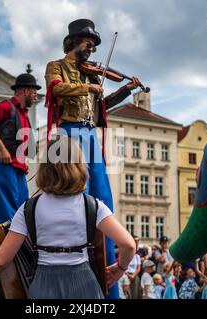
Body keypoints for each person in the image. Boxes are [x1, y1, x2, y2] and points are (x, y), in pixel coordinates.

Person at [44, 18, 142, 299]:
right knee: (76, 197)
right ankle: (78, 267)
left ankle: (106, 271)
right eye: (89, 44)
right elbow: (55, 90)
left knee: (102, 199)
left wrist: (124, 90)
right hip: (67, 134)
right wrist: (88, 89)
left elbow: (101, 109)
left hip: (89, 136)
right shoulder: (57, 66)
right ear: (75, 41)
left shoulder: (91, 76)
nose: (92, 50)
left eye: (94, 46)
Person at [0, 136, 136, 299]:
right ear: (79, 166)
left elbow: (1, 260)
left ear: (46, 168)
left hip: (43, 285)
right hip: (84, 282)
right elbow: (128, 245)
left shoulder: (29, 208)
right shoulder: (92, 205)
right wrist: (120, 268)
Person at [0, 73, 40, 226]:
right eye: (34, 92)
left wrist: (24, 161)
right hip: (3, 165)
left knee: (23, 211)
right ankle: (8, 248)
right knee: (6, 214)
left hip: (18, 169)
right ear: (26, 91)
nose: (35, 96)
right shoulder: (6, 106)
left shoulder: (25, 115)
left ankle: (19, 248)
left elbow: (24, 146)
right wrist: (2, 150)